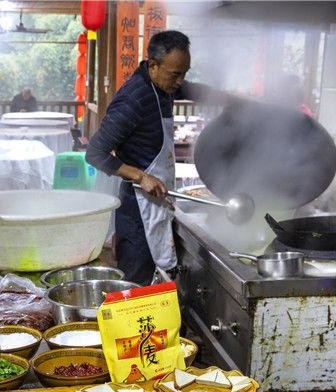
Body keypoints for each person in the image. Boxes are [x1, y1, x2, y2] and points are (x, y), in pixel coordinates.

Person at [86, 30, 234, 285]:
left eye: (184, 73)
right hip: (137, 207)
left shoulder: (164, 85)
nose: (180, 81)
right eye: (175, 74)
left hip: (159, 200)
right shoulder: (133, 100)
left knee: (157, 280)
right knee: (136, 284)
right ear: (153, 65)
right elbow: (95, 153)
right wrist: (141, 176)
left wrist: (231, 100)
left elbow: (191, 89)